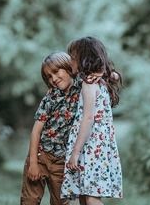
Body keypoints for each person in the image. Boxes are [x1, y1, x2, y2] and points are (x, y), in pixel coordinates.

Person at [61, 37, 123, 205]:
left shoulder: (89, 84)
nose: (70, 61)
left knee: (91, 199)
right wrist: (104, 72)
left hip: (90, 148)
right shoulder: (100, 80)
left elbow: (88, 119)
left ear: (83, 60)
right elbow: (115, 76)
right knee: (84, 194)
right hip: (96, 148)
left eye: (72, 58)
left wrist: (75, 153)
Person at [20, 51, 80, 205]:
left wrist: (111, 75)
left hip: (62, 161)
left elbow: (98, 73)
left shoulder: (83, 89)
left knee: (60, 202)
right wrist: (33, 163)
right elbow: (36, 131)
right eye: (48, 76)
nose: (53, 79)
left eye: (55, 72)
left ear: (68, 66)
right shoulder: (50, 97)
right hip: (41, 156)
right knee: (30, 200)